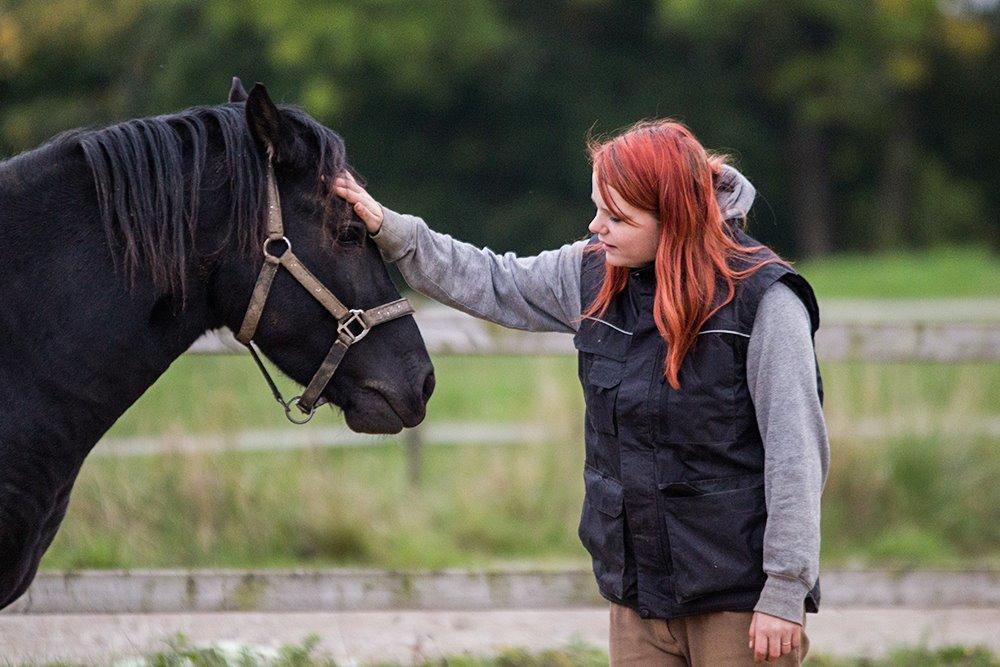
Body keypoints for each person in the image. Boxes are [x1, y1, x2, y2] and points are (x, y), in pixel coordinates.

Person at [334, 119, 829, 666]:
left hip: (742, 607)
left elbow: (796, 456)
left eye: (618, 217)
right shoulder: (592, 273)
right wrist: (393, 232)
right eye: (598, 208)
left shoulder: (767, 303)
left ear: (674, 217)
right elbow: (493, 280)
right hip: (638, 603)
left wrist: (785, 590)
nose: (596, 227)